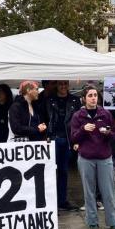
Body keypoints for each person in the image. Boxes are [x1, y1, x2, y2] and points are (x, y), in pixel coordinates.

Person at [70, 85, 115, 229]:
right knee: (89, 191)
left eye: (95, 95)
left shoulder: (105, 114)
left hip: (104, 157)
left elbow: (114, 135)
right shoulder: (77, 116)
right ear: (84, 98)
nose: (93, 98)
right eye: (90, 95)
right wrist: (83, 130)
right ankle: (92, 222)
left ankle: (113, 221)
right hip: (86, 158)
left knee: (108, 191)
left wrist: (107, 133)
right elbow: (73, 138)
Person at [41, 80, 82, 211]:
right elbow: (44, 118)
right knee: (50, 171)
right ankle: (50, 200)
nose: (63, 86)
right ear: (56, 86)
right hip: (53, 138)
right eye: (60, 84)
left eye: (65, 83)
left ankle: (62, 200)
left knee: (64, 171)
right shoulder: (49, 100)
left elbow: (78, 120)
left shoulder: (75, 100)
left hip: (68, 139)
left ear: (68, 85)